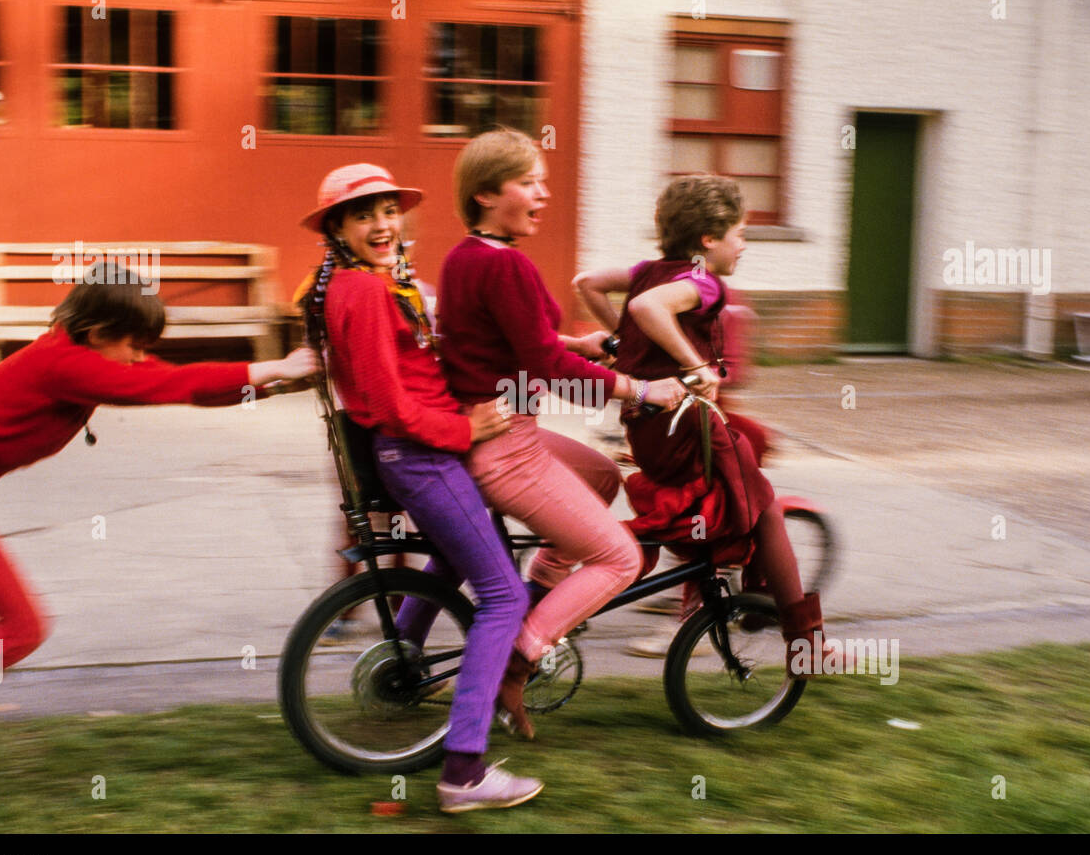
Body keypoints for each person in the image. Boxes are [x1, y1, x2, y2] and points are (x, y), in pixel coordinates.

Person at [0, 280, 319, 802]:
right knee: (23, 626)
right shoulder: (65, 363)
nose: (141, 357)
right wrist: (277, 366)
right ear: (98, 332)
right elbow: (171, 386)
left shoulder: (74, 349)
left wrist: (274, 385)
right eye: (135, 345)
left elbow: (173, 381)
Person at [298, 162, 542, 812]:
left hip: (424, 451)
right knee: (503, 594)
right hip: (422, 454)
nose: (382, 223)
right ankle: (465, 772)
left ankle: (400, 668)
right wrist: (466, 428)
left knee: (454, 558)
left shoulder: (374, 281)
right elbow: (386, 406)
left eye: (387, 210)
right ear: (338, 228)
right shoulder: (364, 291)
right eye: (363, 214)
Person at [431, 127, 687, 739]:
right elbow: (545, 371)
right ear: (488, 194)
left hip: (495, 436)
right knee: (621, 558)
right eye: (529, 182)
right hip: (507, 450)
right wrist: (643, 390)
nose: (543, 194)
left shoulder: (465, 257)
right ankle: (520, 653)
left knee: (600, 475)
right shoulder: (508, 265)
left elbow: (511, 349)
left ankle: (539, 595)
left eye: (543, 181)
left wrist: (580, 345)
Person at [575, 173, 834, 674]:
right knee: (767, 511)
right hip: (687, 426)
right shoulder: (703, 281)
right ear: (708, 240)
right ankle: (807, 644)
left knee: (732, 508)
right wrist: (694, 365)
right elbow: (648, 308)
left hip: (647, 431)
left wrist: (625, 343)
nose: (744, 246)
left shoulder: (650, 269)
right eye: (740, 234)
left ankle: (725, 594)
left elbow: (586, 284)